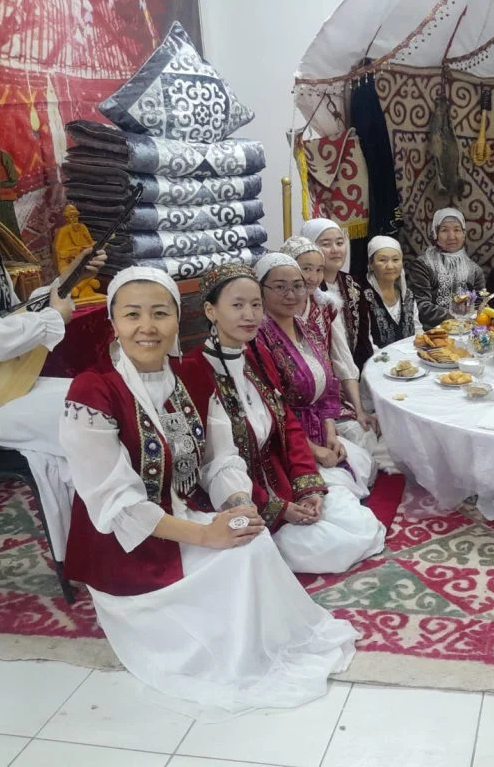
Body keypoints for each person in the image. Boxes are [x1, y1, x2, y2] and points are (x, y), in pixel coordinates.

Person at [60, 266, 358, 713]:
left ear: (177, 319)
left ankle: (250, 646)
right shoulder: (92, 391)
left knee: (252, 543)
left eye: (160, 313)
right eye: (132, 314)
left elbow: (220, 458)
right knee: (234, 559)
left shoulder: (193, 378)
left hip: (185, 511)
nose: (147, 327)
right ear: (113, 321)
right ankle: (225, 650)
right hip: (127, 546)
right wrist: (206, 534)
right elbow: (116, 500)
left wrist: (238, 504)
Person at [189, 262, 385, 573]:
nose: (250, 315)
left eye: (255, 305)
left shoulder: (255, 357)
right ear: (211, 311)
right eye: (237, 305)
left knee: (355, 524)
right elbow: (209, 464)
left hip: (281, 478)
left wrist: (308, 489)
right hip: (240, 496)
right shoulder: (194, 372)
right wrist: (279, 508)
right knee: (328, 547)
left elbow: (287, 424)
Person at [0, 155, 105, 560]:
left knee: (93, 396)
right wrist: (52, 319)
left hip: (6, 385)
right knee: (83, 421)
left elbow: (14, 313)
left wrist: (69, 278)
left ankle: (97, 540)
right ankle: (94, 546)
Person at [255, 252, 375, 499]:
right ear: (261, 290)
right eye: (280, 287)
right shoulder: (259, 340)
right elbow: (273, 410)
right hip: (289, 445)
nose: (291, 295)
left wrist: (330, 434)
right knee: (340, 507)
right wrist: (314, 451)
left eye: (297, 286)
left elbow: (328, 390)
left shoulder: (308, 329)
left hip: (320, 432)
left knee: (367, 463)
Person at [282, 240, 394, 473]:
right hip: (293, 405)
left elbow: (342, 360)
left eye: (318, 269)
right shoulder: (276, 314)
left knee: (364, 433)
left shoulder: (325, 306)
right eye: (306, 268)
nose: (313, 277)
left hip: (325, 398)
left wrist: (359, 410)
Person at [301, 218, 374, 369]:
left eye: (340, 243)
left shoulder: (353, 284)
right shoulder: (307, 288)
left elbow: (363, 338)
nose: (335, 250)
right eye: (326, 244)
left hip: (355, 369)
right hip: (320, 371)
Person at [406, 207, 485, 329]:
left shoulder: (474, 270)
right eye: (444, 230)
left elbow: (481, 305)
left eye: (457, 230)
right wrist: (456, 318)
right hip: (432, 332)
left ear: (464, 234)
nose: (451, 236)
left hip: (467, 331)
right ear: (435, 234)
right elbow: (421, 305)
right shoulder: (423, 265)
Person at [362, 235, 419, 347]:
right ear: (371, 264)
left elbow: (417, 330)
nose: (390, 266)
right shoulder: (363, 298)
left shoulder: (408, 296)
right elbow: (367, 343)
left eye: (395, 260)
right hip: (377, 357)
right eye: (382, 260)